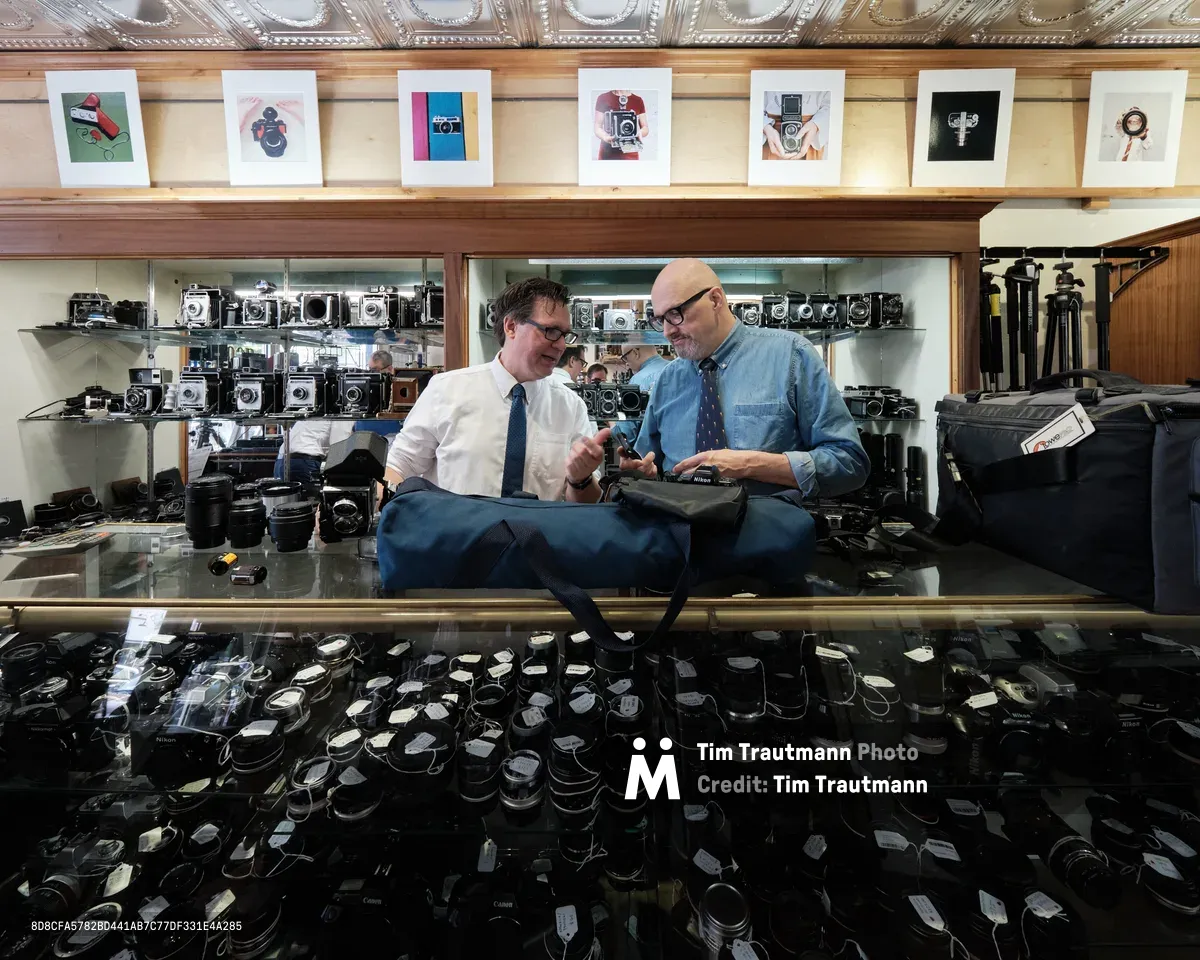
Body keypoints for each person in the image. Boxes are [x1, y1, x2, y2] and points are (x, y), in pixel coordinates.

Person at [620, 258, 869, 497]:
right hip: (679, 536)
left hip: (763, 535)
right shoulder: (668, 380)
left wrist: (752, 464)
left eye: (675, 314)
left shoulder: (791, 357)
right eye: (660, 320)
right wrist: (644, 473)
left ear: (715, 300)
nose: (667, 332)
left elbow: (849, 463)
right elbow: (647, 464)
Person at [384, 277, 609, 503]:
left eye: (565, 335)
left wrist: (580, 479)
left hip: (539, 536)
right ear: (511, 326)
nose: (561, 345)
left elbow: (584, 504)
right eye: (551, 331)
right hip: (459, 536)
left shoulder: (570, 407)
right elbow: (400, 464)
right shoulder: (446, 390)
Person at [612, 346, 670, 448]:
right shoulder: (676, 370)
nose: (626, 363)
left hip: (650, 458)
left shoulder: (637, 381)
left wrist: (611, 422)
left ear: (635, 353)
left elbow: (626, 435)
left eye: (625, 358)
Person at [762, 91, 831, 160]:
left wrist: (816, 124)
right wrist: (765, 127)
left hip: (810, 137)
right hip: (771, 137)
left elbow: (832, 103)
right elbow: (756, 103)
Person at [353, 349, 401, 438]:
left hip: (390, 435)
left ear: (389, 369)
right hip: (363, 434)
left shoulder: (399, 387)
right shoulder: (364, 386)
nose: (371, 374)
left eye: (375, 370)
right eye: (369, 369)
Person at [594, 90, 648, 161]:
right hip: (607, 154)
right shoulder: (603, 98)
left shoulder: (638, 100)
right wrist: (605, 137)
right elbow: (597, 127)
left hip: (630, 154)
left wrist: (639, 134)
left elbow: (645, 127)